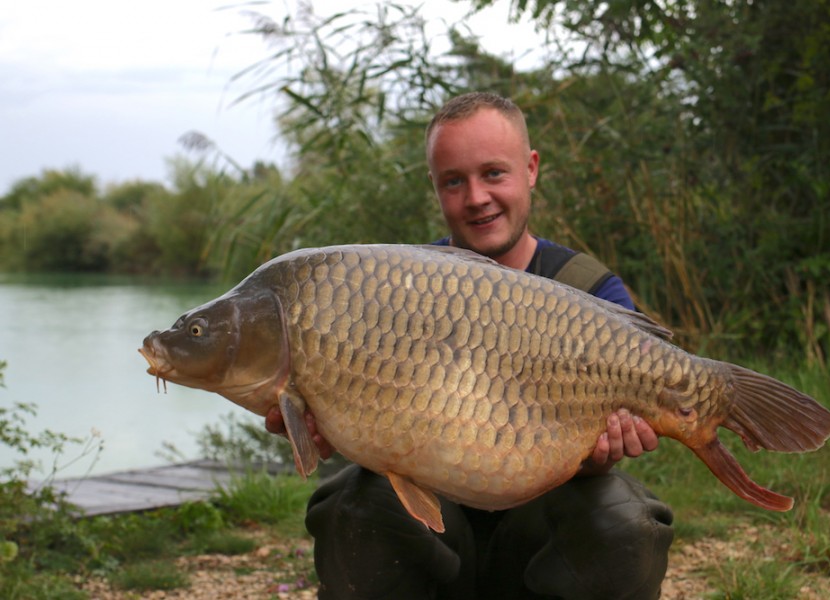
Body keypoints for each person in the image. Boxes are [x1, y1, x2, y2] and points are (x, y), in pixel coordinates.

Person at [265, 91, 674, 599]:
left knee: (627, 521)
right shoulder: (398, 287)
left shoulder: (589, 290)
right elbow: (363, 419)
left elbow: (604, 453)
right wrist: (325, 424)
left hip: (541, 531)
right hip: (434, 528)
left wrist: (604, 452)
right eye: (453, 181)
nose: (476, 196)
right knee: (350, 502)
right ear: (434, 188)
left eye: (493, 174)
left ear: (531, 169)